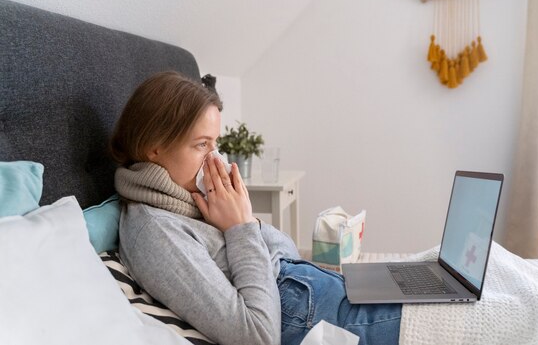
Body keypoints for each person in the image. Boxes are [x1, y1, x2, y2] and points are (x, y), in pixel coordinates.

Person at [110, 71, 401, 345]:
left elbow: (288, 251)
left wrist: (245, 219)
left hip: (319, 291)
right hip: (320, 319)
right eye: (201, 145)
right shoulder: (154, 231)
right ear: (154, 146)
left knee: (431, 284)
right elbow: (257, 336)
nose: (216, 160)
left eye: (216, 144)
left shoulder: (187, 199)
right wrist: (240, 229)